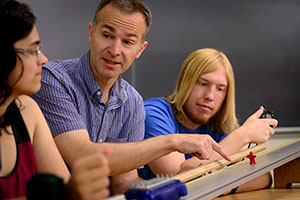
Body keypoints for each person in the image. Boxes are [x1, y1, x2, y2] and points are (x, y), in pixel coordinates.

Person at [30, 0, 232, 194]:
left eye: (128, 42)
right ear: (92, 32)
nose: (115, 50)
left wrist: (173, 184)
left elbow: (123, 182)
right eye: (107, 35)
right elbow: (82, 157)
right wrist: (172, 142)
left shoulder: (133, 102)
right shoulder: (53, 79)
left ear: (140, 49)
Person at [0, 0, 110, 199]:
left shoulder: (27, 111)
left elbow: (65, 189)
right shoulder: (55, 80)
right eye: (33, 50)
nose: (43, 60)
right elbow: (64, 194)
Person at [139, 48, 278, 194]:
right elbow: (181, 179)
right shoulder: (153, 114)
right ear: (186, 82)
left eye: (220, 89)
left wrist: (222, 188)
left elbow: (263, 177)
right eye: (203, 84)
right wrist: (241, 136)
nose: (210, 96)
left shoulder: (217, 126)